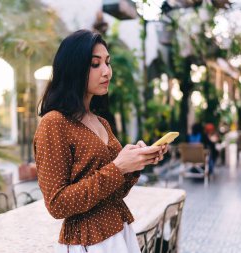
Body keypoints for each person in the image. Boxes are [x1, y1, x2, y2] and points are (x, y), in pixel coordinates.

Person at [33, 30, 167, 253]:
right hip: (88, 242)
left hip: (119, 232)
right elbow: (57, 204)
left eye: (107, 62)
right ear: (74, 68)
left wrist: (135, 163)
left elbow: (114, 192)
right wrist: (118, 167)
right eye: (95, 64)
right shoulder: (54, 123)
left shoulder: (101, 122)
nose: (107, 71)